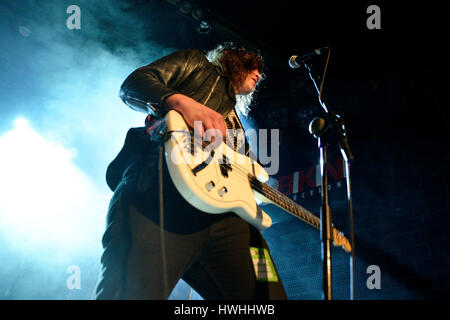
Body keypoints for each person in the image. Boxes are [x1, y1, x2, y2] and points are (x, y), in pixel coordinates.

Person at [94, 43, 287, 300]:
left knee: (269, 296)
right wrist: (182, 102)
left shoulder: (237, 126)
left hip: (226, 217)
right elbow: (134, 84)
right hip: (159, 192)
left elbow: (248, 172)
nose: (259, 75)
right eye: (254, 67)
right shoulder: (197, 64)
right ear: (235, 59)